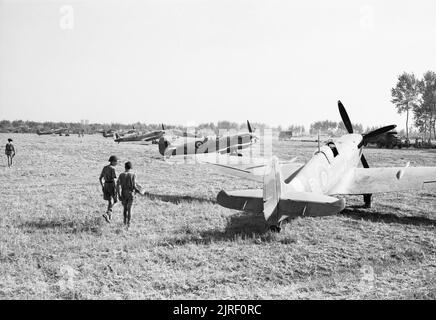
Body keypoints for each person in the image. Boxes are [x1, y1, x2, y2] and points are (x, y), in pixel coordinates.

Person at [117, 161, 138, 229]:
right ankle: (128, 225)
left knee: (125, 209)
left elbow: (117, 186)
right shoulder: (133, 174)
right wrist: (138, 191)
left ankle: (124, 222)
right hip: (130, 193)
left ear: (125, 167)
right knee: (130, 209)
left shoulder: (121, 175)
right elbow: (134, 185)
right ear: (131, 167)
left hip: (123, 192)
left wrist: (119, 194)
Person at [99, 155, 118, 222]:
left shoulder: (105, 168)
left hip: (106, 185)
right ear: (112, 161)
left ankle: (109, 217)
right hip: (112, 185)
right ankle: (108, 213)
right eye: (116, 161)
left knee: (110, 201)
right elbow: (115, 179)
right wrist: (116, 188)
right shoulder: (113, 169)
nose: (117, 163)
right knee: (115, 200)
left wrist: (103, 186)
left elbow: (100, 178)